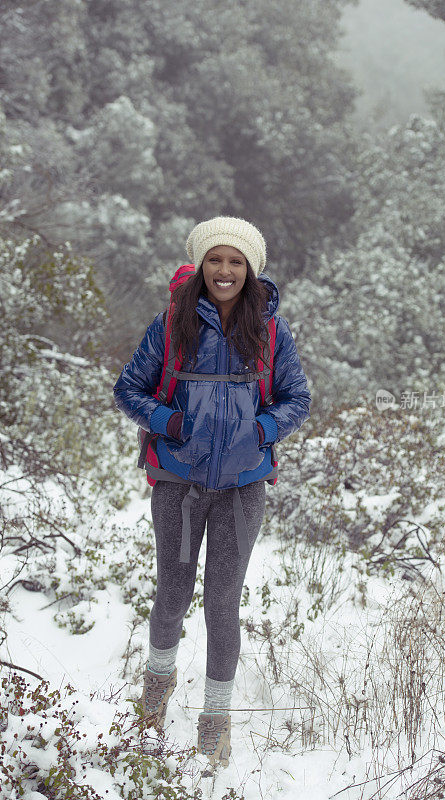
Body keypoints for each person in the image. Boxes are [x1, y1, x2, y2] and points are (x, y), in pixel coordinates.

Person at [113, 216, 311, 769]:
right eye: (216, 260)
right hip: (178, 483)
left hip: (242, 490)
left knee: (222, 602)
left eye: (236, 261)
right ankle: (155, 695)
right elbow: (127, 388)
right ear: (201, 264)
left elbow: (297, 397)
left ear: (251, 270)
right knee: (172, 593)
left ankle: (216, 721)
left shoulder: (272, 330)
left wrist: (262, 432)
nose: (225, 270)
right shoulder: (171, 323)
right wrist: (170, 424)